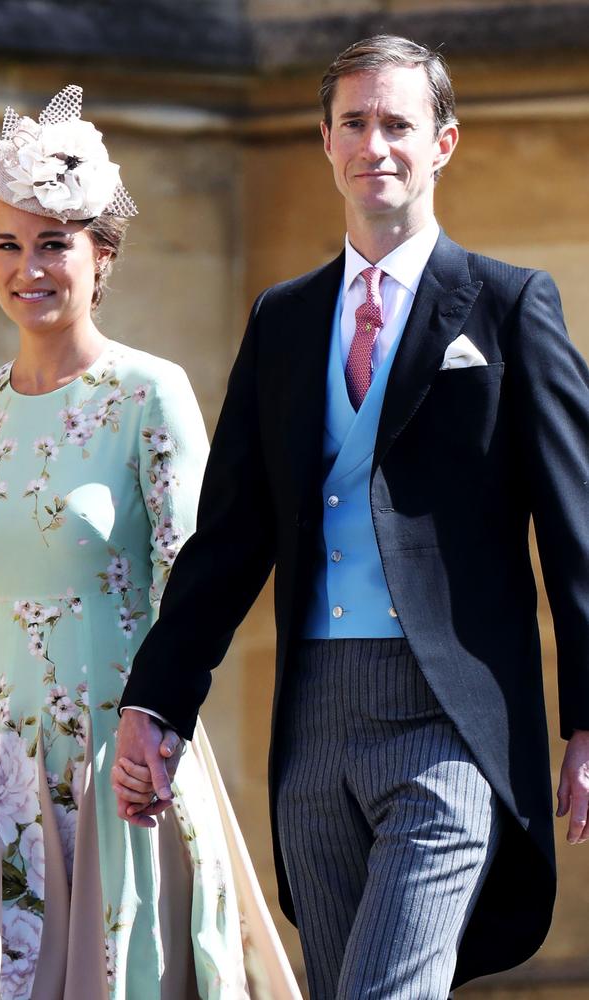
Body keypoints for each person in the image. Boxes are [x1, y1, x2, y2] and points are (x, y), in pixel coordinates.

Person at [113, 34, 589, 1000]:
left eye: (399, 124)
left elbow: (577, 527)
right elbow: (232, 534)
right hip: (315, 726)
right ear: (324, 140)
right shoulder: (282, 319)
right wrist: (157, 700)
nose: (377, 144)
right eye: (356, 123)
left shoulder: (508, 306)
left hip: (450, 719)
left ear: (443, 143)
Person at [0, 85, 301, 1000]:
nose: (30, 267)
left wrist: (160, 735)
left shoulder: (151, 394)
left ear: (102, 257)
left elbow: (196, 586)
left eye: (55, 243)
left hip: (122, 769)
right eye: (9, 244)